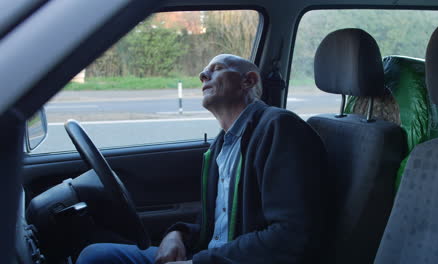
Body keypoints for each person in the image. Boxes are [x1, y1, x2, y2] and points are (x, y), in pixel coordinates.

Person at [76, 54, 327, 264]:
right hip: (210, 255)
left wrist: (198, 261)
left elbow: (289, 236)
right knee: (96, 255)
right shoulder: (222, 145)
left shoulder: (279, 128)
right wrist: (177, 234)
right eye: (203, 72)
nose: (203, 76)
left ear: (248, 81)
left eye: (216, 69)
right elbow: (216, 224)